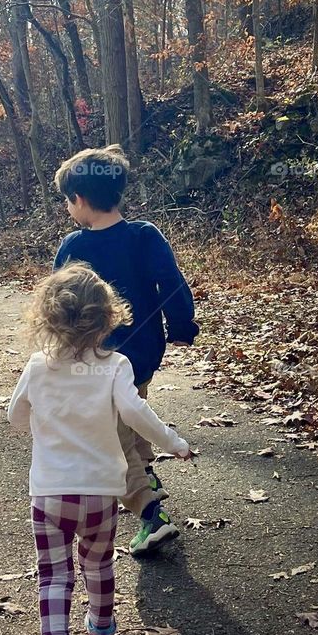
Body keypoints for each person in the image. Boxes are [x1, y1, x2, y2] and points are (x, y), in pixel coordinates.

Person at [8, 264, 191, 635]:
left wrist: (45, 422)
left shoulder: (38, 367)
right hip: (100, 493)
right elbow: (137, 415)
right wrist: (174, 443)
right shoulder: (115, 366)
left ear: (48, 317)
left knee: (53, 576)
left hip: (50, 493)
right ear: (108, 316)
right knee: (98, 565)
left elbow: (15, 417)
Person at [52, 145, 197, 555]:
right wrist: (182, 327)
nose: (68, 208)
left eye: (67, 200)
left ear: (79, 199)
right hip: (144, 355)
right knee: (132, 414)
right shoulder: (144, 235)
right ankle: (148, 475)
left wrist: (59, 353)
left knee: (111, 445)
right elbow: (172, 284)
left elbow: (58, 306)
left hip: (97, 361)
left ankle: (150, 514)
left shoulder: (72, 247)